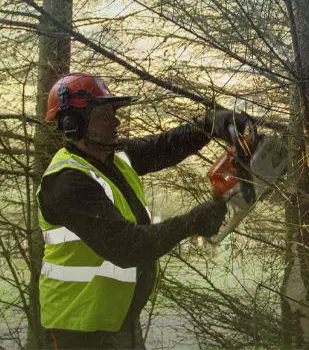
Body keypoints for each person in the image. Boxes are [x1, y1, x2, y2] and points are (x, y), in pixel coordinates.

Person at [37, 72, 243, 349]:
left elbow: (165, 146)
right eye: (105, 114)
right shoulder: (67, 183)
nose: (116, 120)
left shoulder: (114, 159)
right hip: (80, 331)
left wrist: (210, 124)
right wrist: (191, 222)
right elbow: (127, 247)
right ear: (74, 123)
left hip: (117, 320)